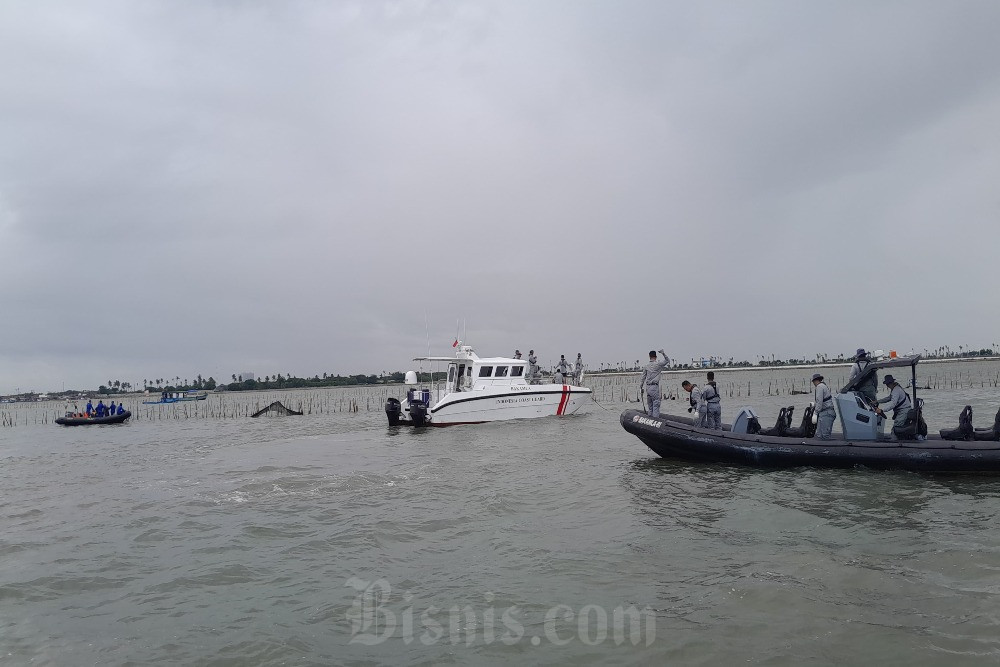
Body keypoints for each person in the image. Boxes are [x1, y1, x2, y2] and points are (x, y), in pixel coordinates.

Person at [639, 349, 671, 418]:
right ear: (656, 357)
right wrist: (663, 353)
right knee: (656, 405)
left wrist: (641, 387)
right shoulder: (658, 364)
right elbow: (668, 360)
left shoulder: (646, 366)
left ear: (649, 356)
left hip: (648, 388)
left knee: (650, 407)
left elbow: (643, 378)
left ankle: (649, 421)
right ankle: (655, 421)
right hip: (654, 387)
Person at [812, 373, 836, 440]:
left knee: (824, 435)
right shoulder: (823, 386)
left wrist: (815, 413)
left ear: (815, 381)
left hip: (826, 412)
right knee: (820, 434)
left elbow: (819, 401)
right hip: (825, 412)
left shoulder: (819, 387)